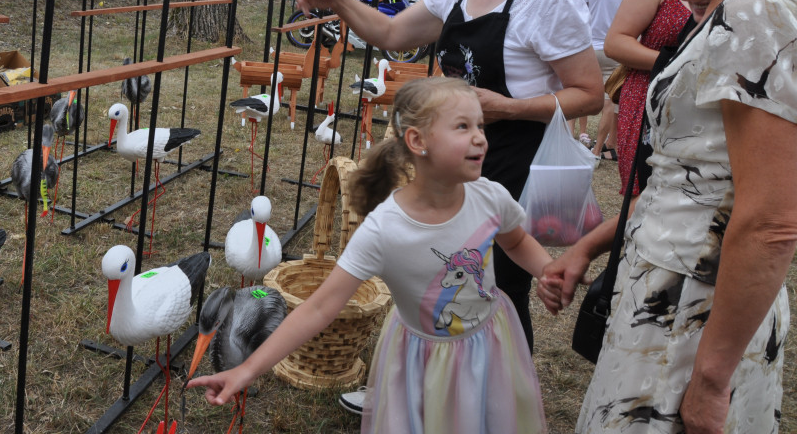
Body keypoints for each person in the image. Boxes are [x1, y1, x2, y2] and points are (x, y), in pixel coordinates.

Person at [540, 0, 797, 434]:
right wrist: (589, 247)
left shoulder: (756, 16)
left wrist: (710, 378)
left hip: (693, 314)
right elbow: (689, 182)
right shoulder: (728, 12)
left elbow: (772, 221)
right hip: (672, 296)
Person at [293, 0, 603, 353]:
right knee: (436, 269)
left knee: (498, 286)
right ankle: (432, 368)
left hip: (506, 161)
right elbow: (393, 35)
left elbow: (589, 93)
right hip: (444, 159)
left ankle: (501, 388)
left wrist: (508, 107)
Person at [189, 78, 556, 432]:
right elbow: (319, 308)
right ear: (418, 140)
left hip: (488, 343)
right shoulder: (384, 230)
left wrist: (549, 270)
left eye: (480, 125)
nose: (480, 137)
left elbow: (516, 241)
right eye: (463, 126)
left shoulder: (490, 196)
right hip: (421, 362)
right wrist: (247, 368)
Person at [603, 0, 692, 200]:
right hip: (648, 97)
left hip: (700, 104)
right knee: (643, 195)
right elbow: (615, 43)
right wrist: (680, 65)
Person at [575, 0, 634, 160]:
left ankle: (576, 134)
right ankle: (599, 148)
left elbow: (579, 15)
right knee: (611, 103)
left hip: (590, 47)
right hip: (615, 50)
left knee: (579, 91)